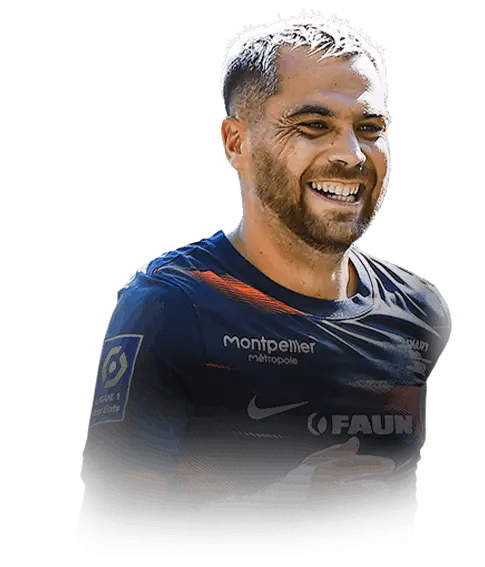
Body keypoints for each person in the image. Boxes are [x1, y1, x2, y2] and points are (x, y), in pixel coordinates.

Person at [84, 14, 449, 521]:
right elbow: (113, 520)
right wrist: (278, 503)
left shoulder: (423, 311)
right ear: (236, 142)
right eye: (314, 126)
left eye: (369, 129)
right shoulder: (171, 305)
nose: (351, 156)